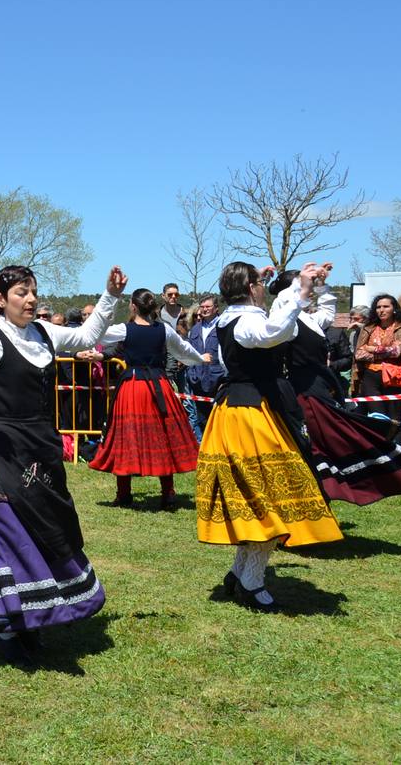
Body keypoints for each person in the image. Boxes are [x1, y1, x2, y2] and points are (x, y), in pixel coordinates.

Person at [0, 264, 127, 667]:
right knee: (6, 531)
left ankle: (31, 620)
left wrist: (109, 295)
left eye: (33, 291)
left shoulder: (44, 332)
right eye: (22, 292)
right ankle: (4, 623)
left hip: (40, 447)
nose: (32, 299)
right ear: (1, 300)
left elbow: (87, 336)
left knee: (46, 529)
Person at [195, 262, 342, 613]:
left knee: (258, 499)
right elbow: (273, 331)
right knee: (269, 498)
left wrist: (302, 289)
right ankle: (251, 583)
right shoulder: (245, 321)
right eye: (260, 282)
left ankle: (240, 573)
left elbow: (278, 322)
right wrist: (301, 291)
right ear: (249, 287)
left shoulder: (240, 316)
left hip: (252, 409)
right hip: (249, 415)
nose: (264, 286)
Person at [269, 269, 401, 506]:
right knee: (325, 440)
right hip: (304, 390)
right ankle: (318, 490)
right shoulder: (285, 315)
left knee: (332, 437)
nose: (309, 288)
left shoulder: (306, 318)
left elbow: (326, 313)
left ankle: (325, 488)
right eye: (303, 285)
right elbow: (284, 305)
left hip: (320, 386)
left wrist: (322, 286)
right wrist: (300, 286)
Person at [87, 289, 210, 508]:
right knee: (163, 436)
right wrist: (200, 358)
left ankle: (124, 494)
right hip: (159, 387)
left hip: (133, 388)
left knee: (126, 437)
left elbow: (96, 334)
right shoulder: (164, 329)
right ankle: (168, 493)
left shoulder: (124, 329)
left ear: (133, 306)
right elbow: (183, 350)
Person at [352, 294, 401, 421]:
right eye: (378, 307)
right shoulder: (368, 328)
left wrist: (372, 348)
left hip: (395, 377)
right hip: (370, 377)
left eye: (385, 306)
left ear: (394, 309)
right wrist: (385, 352)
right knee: (378, 417)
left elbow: (396, 351)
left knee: (395, 420)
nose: (381, 310)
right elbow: (359, 354)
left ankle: (395, 442)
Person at [184, 296, 226, 440]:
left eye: (208, 306)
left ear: (216, 308)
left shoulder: (223, 326)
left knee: (220, 420)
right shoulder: (194, 330)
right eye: (202, 307)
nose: (205, 309)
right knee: (202, 420)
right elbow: (189, 352)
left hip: (218, 381)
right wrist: (191, 374)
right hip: (198, 382)